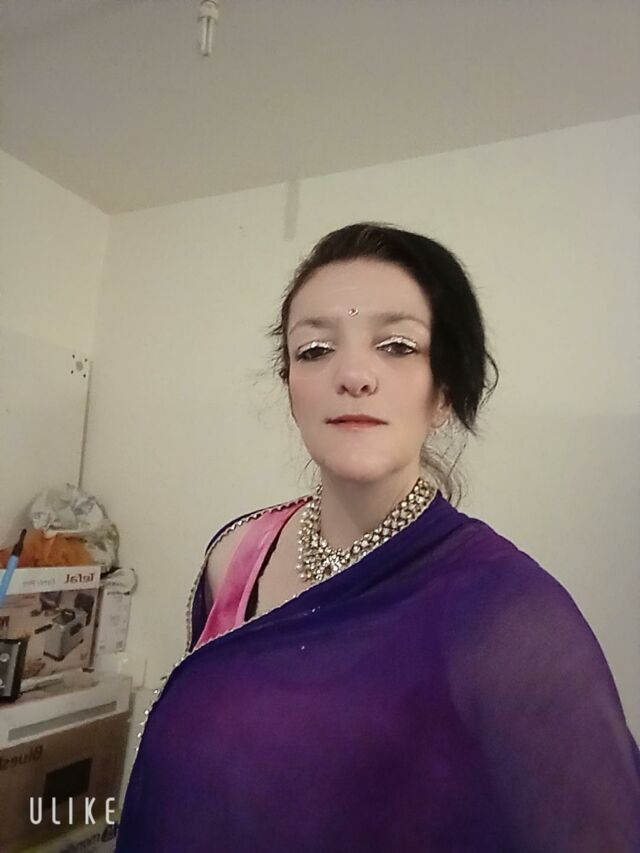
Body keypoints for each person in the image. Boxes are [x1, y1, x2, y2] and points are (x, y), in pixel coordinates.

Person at [116, 223, 640, 852]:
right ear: (291, 390)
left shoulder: (510, 615)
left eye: (397, 345)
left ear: (443, 392)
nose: (355, 374)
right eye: (315, 350)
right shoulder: (237, 555)